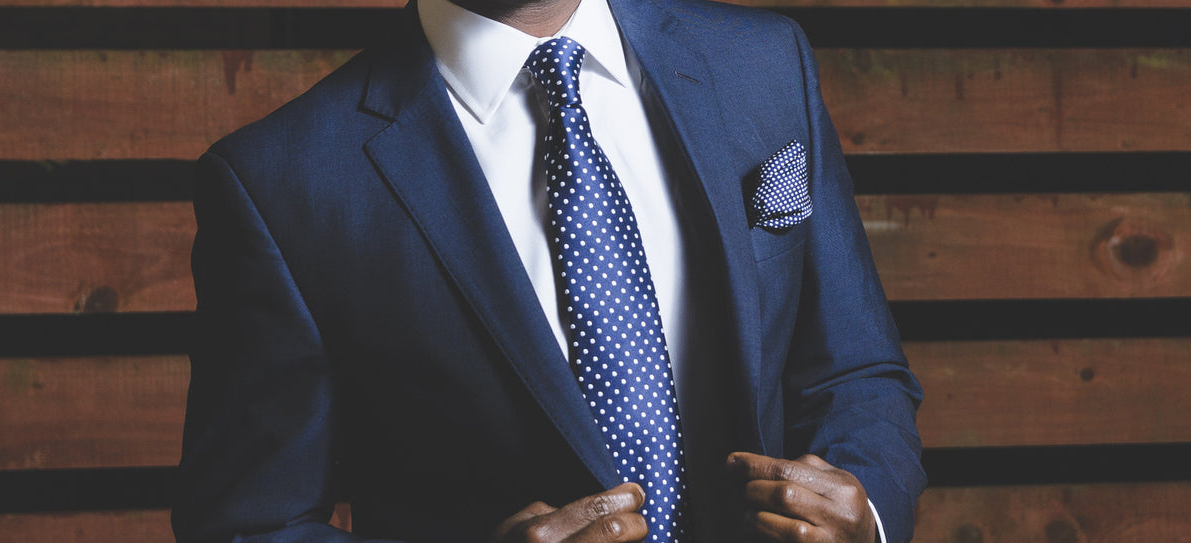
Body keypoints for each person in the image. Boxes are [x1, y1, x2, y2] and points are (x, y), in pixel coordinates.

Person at [171, 0, 925, 540]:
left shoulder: (762, 63)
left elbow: (853, 371)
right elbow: (248, 521)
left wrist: (871, 519)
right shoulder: (283, 180)